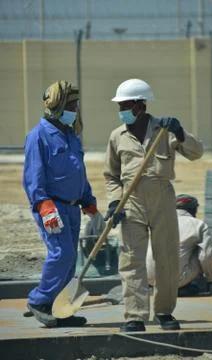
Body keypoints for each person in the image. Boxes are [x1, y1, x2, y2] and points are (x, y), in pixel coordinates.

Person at [103, 78, 204, 332]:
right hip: (131, 201)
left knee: (167, 258)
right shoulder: (117, 136)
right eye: (120, 106)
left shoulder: (165, 130)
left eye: (125, 105)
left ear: (140, 106)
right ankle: (134, 316)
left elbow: (196, 153)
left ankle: (164, 312)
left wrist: (181, 133)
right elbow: (111, 176)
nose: (121, 111)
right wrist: (115, 201)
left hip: (162, 199)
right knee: (131, 260)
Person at [22, 80, 98, 327]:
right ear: (59, 105)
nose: (76, 109)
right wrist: (43, 205)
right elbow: (34, 175)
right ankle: (39, 301)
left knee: (70, 256)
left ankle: (59, 307)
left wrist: (88, 200)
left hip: (73, 206)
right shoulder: (39, 136)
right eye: (72, 104)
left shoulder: (70, 135)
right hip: (52, 207)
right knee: (61, 253)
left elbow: (78, 171)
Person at [146, 194, 212, 296]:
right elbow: (206, 255)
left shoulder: (157, 221)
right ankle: (182, 286)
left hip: (148, 278)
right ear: (193, 210)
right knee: (202, 250)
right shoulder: (198, 225)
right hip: (177, 279)